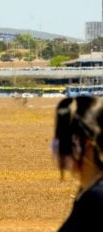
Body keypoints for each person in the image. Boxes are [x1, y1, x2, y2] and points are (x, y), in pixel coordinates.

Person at [52, 96, 103, 232]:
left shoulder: (96, 199)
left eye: (63, 136)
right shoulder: (86, 191)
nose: (56, 144)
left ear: (85, 142)